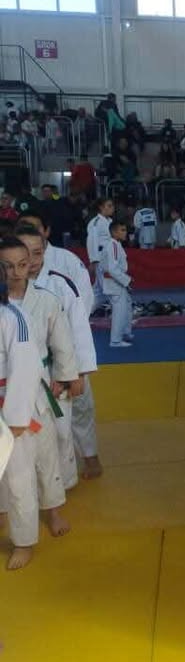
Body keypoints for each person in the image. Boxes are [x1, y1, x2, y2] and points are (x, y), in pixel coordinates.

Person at [0, 238, 76, 569]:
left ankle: (42, 521)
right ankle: (10, 517)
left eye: (21, 264)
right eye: (7, 266)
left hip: (29, 397)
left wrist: (67, 375)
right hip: (9, 399)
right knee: (11, 472)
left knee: (44, 460)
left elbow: (60, 345)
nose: (15, 272)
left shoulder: (39, 304)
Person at [15, 225, 95, 493]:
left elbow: (79, 331)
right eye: (26, 254)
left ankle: (62, 485)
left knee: (60, 430)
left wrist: (76, 373)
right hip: (16, 376)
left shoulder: (60, 284)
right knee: (22, 434)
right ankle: (27, 490)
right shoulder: (8, 289)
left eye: (38, 253)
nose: (32, 261)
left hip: (57, 371)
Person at [101, 221, 133, 348]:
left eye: (125, 230)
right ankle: (115, 340)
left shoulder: (116, 244)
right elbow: (113, 269)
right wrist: (127, 280)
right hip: (114, 283)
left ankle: (125, 331)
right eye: (122, 230)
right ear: (114, 232)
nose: (125, 233)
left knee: (126, 307)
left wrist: (126, 281)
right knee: (119, 311)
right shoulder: (112, 245)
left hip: (117, 281)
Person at [86, 197, 114, 308]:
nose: (112, 208)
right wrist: (93, 260)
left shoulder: (110, 222)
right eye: (109, 206)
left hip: (110, 256)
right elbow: (92, 242)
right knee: (107, 285)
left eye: (112, 206)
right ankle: (117, 307)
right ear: (101, 207)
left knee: (98, 288)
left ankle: (88, 309)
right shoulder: (95, 223)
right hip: (101, 257)